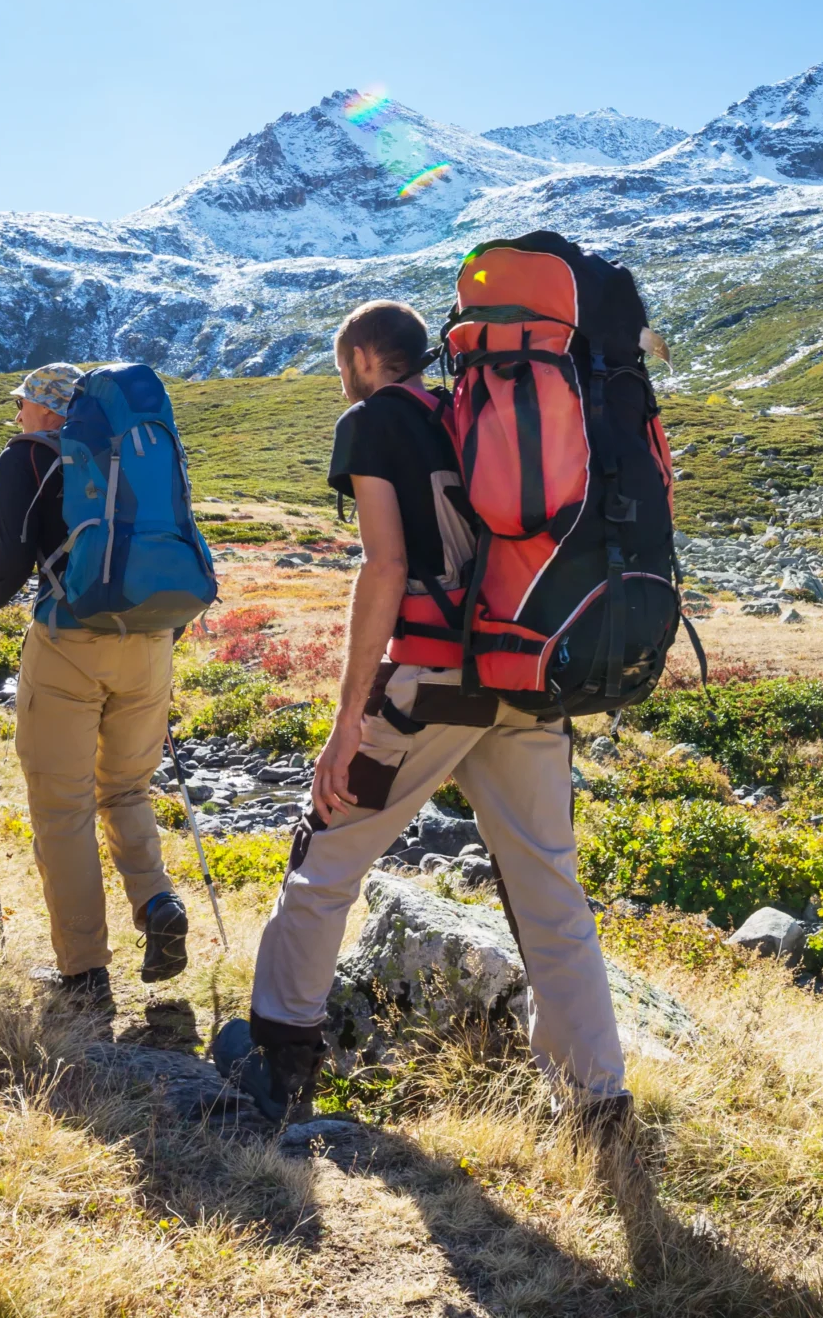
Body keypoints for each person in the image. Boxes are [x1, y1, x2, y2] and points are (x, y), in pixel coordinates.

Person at [230, 300, 665, 1256]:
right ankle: (600, 1110)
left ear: (358, 356)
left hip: (428, 684)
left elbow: (385, 564)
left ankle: (278, 1067)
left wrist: (347, 722)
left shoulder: (376, 419)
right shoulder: (474, 414)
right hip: (524, 678)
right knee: (551, 892)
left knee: (327, 853)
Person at [0, 361, 190, 1008]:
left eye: (23, 402)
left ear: (48, 411)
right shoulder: (141, 453)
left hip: (71, 646)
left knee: (64, 806)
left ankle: (84, 971)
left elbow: (10, 562)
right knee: (127, 786)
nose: (17, 413)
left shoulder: (24, 459)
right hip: (152, 642)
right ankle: (157, 900)